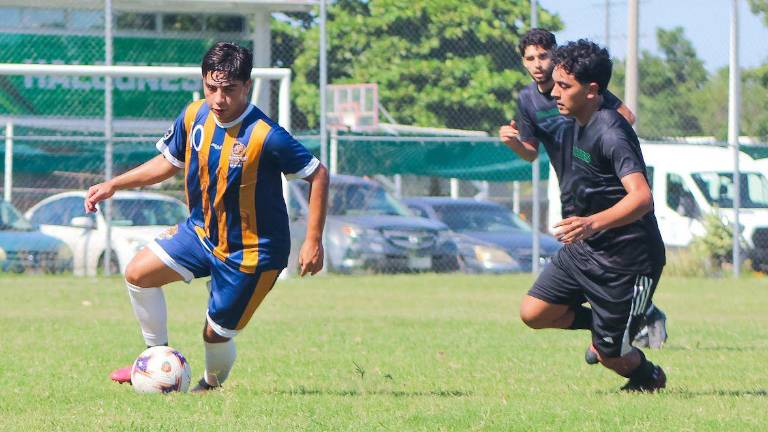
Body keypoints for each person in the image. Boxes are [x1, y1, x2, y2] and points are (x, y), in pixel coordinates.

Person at [85, 42, 329, 392]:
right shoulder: (194, 115)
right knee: (138, 273)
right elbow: (169, 163)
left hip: (252, 253)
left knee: (214, 334)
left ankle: (209, 387)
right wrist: (114, 184)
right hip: (201, 234)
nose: (218, 98)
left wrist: (313, 241)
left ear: (247, 87)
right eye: (211, 87)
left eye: (229, 90)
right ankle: (156, 362)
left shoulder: (267, 136)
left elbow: (317, 174)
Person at [499, 29, 667, 356]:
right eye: (530, 58)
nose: (555, 92)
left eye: (563, 86)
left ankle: (636, 347)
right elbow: (531, 151)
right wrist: (515, 143)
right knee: (534, 311)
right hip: (584, 223)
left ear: (590, 91)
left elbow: (642, 197)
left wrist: (593, 222)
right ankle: (615, 323)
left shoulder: (605, 126)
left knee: (606, 354)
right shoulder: (555, 109)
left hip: (624, 249)